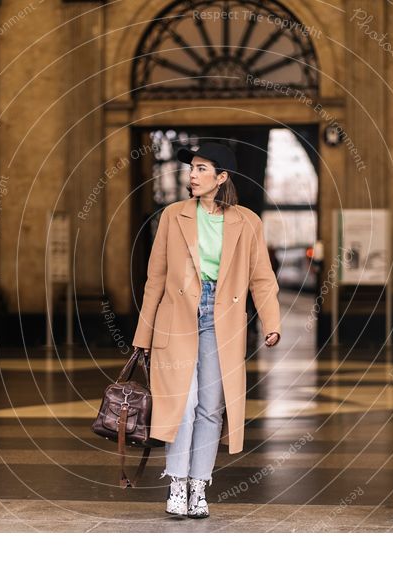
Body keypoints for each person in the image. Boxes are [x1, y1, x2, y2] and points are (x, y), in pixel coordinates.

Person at [132, 141, 281, 519]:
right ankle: (176, 484)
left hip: (223, 320)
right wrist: (142, 336)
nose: (192, 174)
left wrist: (271, 321)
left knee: (212, 407)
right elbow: (155, 279)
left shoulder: (248, 221)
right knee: (181, 403)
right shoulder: (173, 216)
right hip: (177, 317)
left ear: (221, 177)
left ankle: (200, 486)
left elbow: (262, 278)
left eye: (201, 168)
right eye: (191, 168)